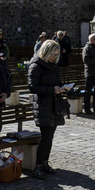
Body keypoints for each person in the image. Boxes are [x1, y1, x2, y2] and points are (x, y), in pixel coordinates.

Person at [28, 40, 69, 179]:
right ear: (45, 52)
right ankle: (37, 166)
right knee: (45, 137)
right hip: (43, 105)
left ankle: (45, 163)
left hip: (54, 105)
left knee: (50, 137)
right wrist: (52, 90)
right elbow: (33, 87)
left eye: (56, 55)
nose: (54, 57)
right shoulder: (36, 65)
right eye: (52, 54)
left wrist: (63, 87)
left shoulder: (54, 66)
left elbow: (57, 82)